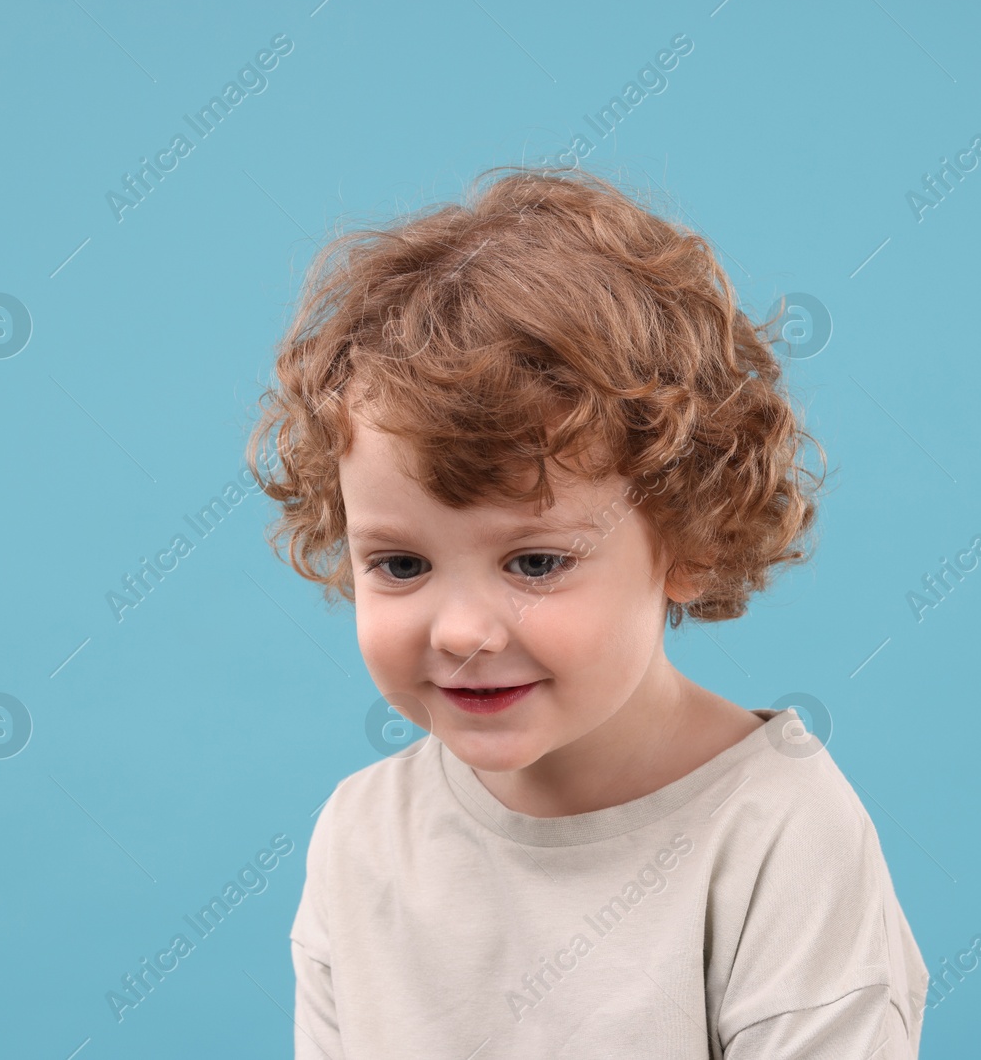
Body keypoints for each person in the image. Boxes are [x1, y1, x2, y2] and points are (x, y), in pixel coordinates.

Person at [245, 165, 928, 1058]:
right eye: (402, 562)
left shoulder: (780, 837)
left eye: (535, 562)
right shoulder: (364, 835)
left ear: (688, 538)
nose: (460, 631)